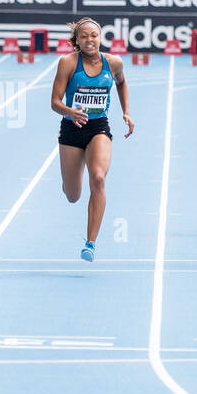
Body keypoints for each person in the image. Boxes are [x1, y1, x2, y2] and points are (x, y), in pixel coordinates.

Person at [51, 17, 132, 261]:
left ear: (100, 37)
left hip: (98, 127)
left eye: (93, 35)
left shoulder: (114, 62)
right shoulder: (67, 63)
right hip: (72, 129)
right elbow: (54, 102)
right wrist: (70, 111)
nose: (89, 40)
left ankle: (90, 243)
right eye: (84, 36)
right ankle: (75, 169)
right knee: (73, 195)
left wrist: (126, 111)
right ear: (77, 40)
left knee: (98, 178)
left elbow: (122, 82)